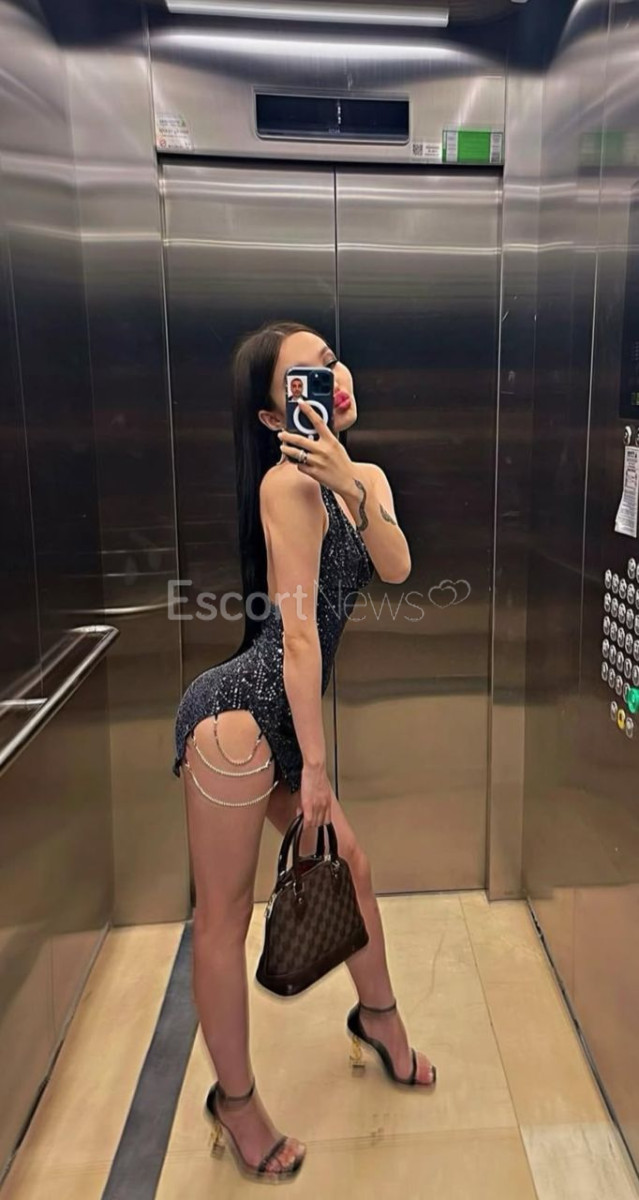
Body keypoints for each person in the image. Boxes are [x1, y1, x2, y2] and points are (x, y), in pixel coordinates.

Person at [172, 319, 437, 1184]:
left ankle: (379, 1019)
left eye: (330, 362)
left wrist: (350, 483)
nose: (333, 378)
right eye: (305, 378)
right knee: (223, 917)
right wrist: (315, 772)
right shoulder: (284, 488)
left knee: (349, 868)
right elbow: (295, 638)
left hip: (285, 719)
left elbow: (396, 567)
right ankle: (236, 1103)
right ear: (271, 415)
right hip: (239, 723)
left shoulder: (363, 478)